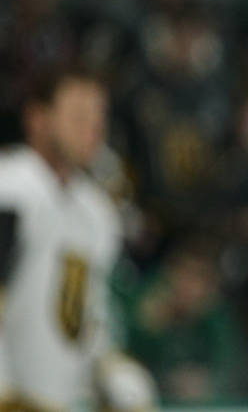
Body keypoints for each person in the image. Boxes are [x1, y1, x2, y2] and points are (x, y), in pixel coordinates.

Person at [0, 65, 157, 409]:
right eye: (78, 116)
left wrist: (109, 368)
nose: (93, 129)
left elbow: (93, 313)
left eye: (98, 117)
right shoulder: (11, 189)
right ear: (37, 118)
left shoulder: (97, 212)